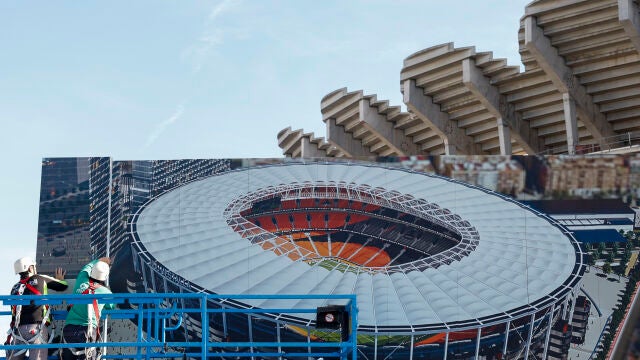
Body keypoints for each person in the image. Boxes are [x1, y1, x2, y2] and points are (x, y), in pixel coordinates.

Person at [6, 256, 68, 360]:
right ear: (30, 268)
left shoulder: (14, 288)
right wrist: (60, 279)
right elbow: (63, 286)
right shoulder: (40, 278)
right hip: (36, 328)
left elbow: (13, 310)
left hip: (18, 330)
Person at [61, 258, 115, 360]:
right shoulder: (105, 292)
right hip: (88, 332)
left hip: (69, 329)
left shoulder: (81, 280)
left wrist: (98, 260)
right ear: (105, 277)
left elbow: (86, 268)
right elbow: (111, 306)